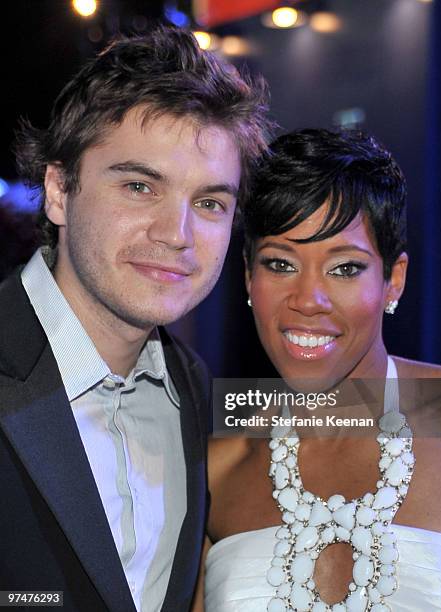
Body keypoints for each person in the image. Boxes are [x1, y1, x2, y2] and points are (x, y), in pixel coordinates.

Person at [0, 25, 271, 612]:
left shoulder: (193, 389)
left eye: (209, 203)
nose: (177, 236)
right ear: (58, 189)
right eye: (140, 186)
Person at [194, 129, 441, 611]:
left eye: (344, 268)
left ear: (393, 280)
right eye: (280, 264)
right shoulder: (214, 461)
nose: (308, 301)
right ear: (248, 278)